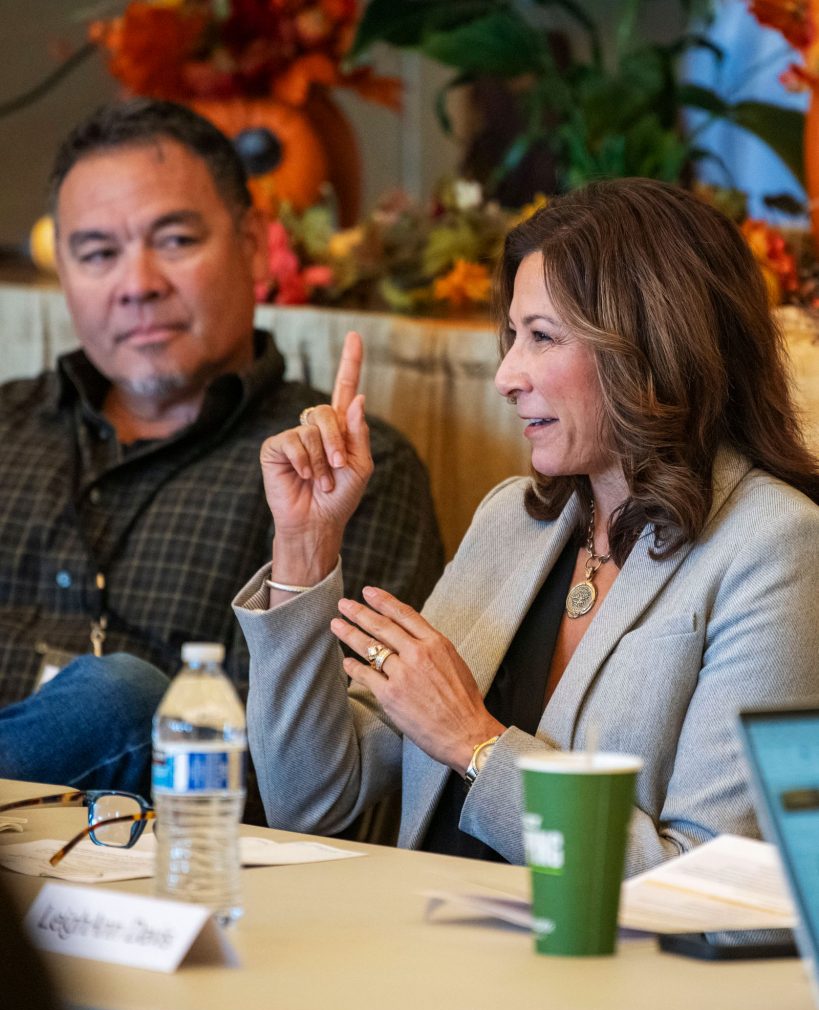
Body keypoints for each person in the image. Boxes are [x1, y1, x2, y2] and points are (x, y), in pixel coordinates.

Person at [233, 178, 819, 873]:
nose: (506, 375)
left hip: (598, 973)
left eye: (540, 337)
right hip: (421, 945)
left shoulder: (775, 544)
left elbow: (707, 887)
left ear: (653, 345)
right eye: (511, 337)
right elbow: (311, 804)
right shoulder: (512, 518)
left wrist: (475, 743)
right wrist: (305, 545)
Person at [0, 99, 443, 799]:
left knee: (124, 704)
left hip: (167, 864)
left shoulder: (340, 472)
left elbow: (308, 781)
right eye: (97, 254)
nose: (137, 284)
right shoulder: (7, 428)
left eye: (174, 241)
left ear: (251, 244)